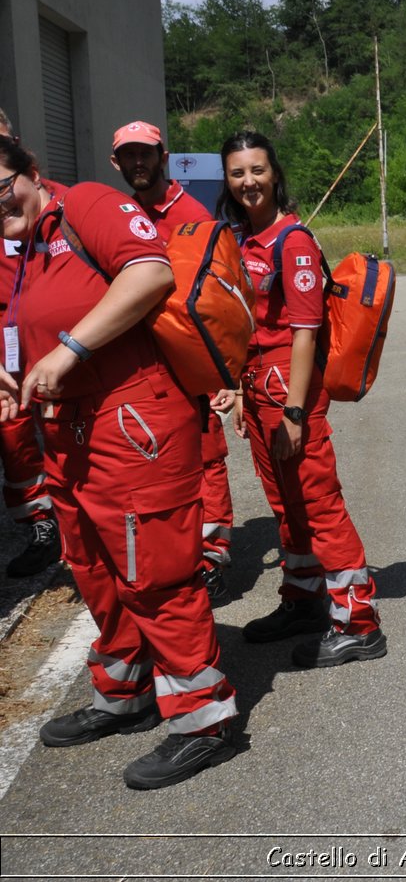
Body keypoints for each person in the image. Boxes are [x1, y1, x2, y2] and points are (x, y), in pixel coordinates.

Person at [0, 133, 238, 789]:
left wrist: (70, 347)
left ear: (31, 171)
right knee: (94, 566)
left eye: (1, 187)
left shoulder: (90, 206)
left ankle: (202, 715)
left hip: (131, 417)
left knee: (152, 568)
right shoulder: (17, 248)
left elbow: (151, 270)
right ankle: (124, 688)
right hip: (69, 428)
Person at [220, 130, 384, 668]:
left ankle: (358, 623)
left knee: (318, 505)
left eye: (258, 170)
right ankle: (304, 599)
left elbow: (306, 333)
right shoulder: (243, 238)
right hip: (259, 389)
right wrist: (242, 389)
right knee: (286, 506)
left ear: (275, 173)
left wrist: (293, 411)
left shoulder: (293, 242)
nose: (249, 181)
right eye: (238, 172)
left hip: (292, 393)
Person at [110, 120, 237, 603]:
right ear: (116, 163)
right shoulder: (119, 211)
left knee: (206, 455)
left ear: (164, 156)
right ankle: (174, 555)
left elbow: (218, 294)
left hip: (185, 353)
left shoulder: (190, 211)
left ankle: (211, 557)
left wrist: (227, 369)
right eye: (129, 156)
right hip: (139, 359)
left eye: (146, 154)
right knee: (155, 460)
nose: (138, 163)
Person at [0, 108, 60, 578]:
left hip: (50, 324)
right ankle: (41, 525)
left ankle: (75, 512)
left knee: (61, 418)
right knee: (14, 432)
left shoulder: (50, 199)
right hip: (6, 334)